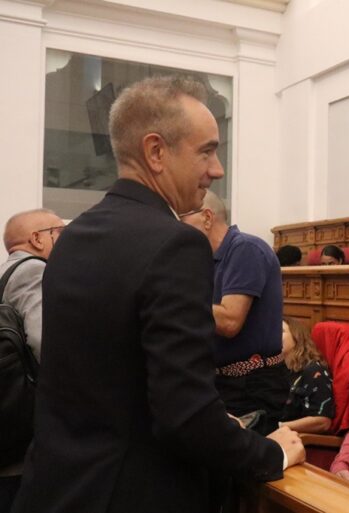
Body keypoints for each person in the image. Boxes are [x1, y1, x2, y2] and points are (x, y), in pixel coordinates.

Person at [11, 76, 304, 513]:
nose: (217, 169)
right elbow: (185, 417)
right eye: (206, 151)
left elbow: (104, 376)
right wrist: (271, 452)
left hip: (58, 486)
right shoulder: (175, 244)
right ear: (156, 152)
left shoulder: (73, 236)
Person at [181, 190, 289, 432]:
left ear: (207, 218)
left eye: (181, 219)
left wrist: (178, 300)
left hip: (252, 385)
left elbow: (230, 322)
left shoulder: (246, 249)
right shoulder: (205, 260)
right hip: (223, 381)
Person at [0, 209, 64, 512]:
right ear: (37, 239)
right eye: (60, 233)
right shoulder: (34, 270)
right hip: (24, 428)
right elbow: (45, 342)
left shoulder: (5, 271)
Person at [279, 318, 334, 433]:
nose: (274, 336)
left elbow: (322, 421)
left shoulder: (314, 370)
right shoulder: (277, 368)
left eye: (280, 331)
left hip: (293, 437)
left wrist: (279, 426)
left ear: (297, 337)